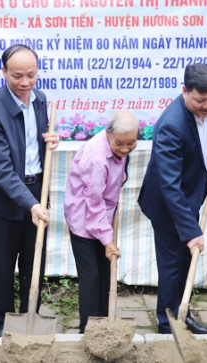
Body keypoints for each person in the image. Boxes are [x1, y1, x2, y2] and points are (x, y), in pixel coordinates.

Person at [0, 44, 59, 338]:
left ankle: (30, 317)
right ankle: (4, 326)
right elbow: (0, 169)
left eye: (31, 75)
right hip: (3, 202)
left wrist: (50, 140)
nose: (25, 83)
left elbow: (35, 144)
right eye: (17, 76)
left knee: (33, 261)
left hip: (37, 190)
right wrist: (31, 204)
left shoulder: (40, 100)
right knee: (2, 268)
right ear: (4, 72)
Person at [138, 63, 207, 335]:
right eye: (201, 100)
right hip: (168, 206)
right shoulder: (172, 126)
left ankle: (182, 314)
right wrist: (191, 231)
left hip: (188, 198)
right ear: (185, 91)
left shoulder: (204, 109)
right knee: (172, 266)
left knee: (186, 261)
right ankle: (167, 325)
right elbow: (169, 185)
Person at [64, 111, 139, 333]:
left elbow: (122, 159)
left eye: (131, 143)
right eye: (119, 144)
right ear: (108, 133)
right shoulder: (96, 158)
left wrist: (121, 174)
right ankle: (87, 330)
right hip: (83, 218)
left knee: (106, 274)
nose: (125, 149)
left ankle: (104, 326)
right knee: (92, 277)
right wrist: (108, 241)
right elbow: (93, 203)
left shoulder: (120, 144)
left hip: (103, 216)